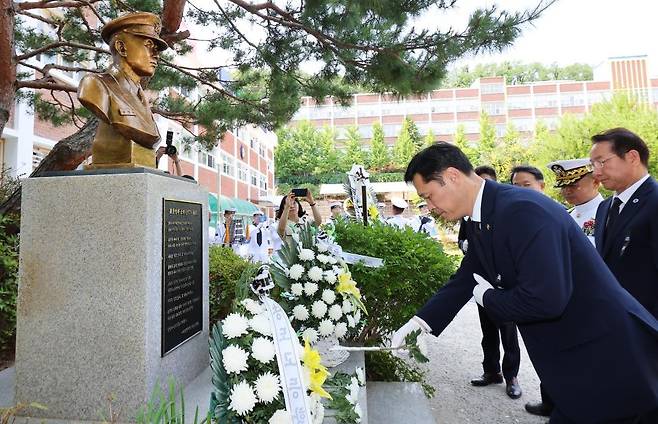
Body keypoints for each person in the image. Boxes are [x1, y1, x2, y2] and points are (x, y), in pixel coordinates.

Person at [392, 142, 658, 424]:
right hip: (579, 361)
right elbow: (467, 277)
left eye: (430, 196)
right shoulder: (483, 215)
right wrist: (420, 323)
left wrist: (489, 298)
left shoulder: (522, 211)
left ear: (453, 176)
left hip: (608, 359)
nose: (430, 207)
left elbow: (546, 299)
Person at [458, 165, 522, 400]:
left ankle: (512, 376)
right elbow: (462, 239)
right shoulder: (469, 215)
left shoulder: (505, 213)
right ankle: (491, 371)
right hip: (481, 282)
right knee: (487, 332)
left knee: (508, 332)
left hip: (504, 287)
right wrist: (464, 245)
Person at [77, 12, 168, 168]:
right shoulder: (95, 85)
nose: (156, 55)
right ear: (121, 47)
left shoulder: (140, 96)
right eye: (148, 45)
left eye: (156, 49)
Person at [590, 128, 658, 319]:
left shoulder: (654, 202)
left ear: (633, 157)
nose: (596, 172)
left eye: (602, 162)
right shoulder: (604, 207)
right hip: (616, 323)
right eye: (593, 165)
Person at [548, 158, 603, 246]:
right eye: (563, 186)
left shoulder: (609, 214)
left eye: (572, 185)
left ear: (595, 182)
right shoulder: (566, 216)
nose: (567, 191)